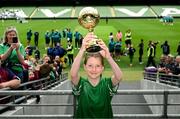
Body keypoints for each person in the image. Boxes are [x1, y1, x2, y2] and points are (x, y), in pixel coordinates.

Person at [70, 32, 123, 118]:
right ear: (85, 67)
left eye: (98, 66)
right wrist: (82, 50)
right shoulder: (81, 84)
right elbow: (73, 75)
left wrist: (108, 57)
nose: (94, 70)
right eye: (90, 66)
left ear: (102, 68)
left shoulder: (107, 84)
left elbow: (119, 77)